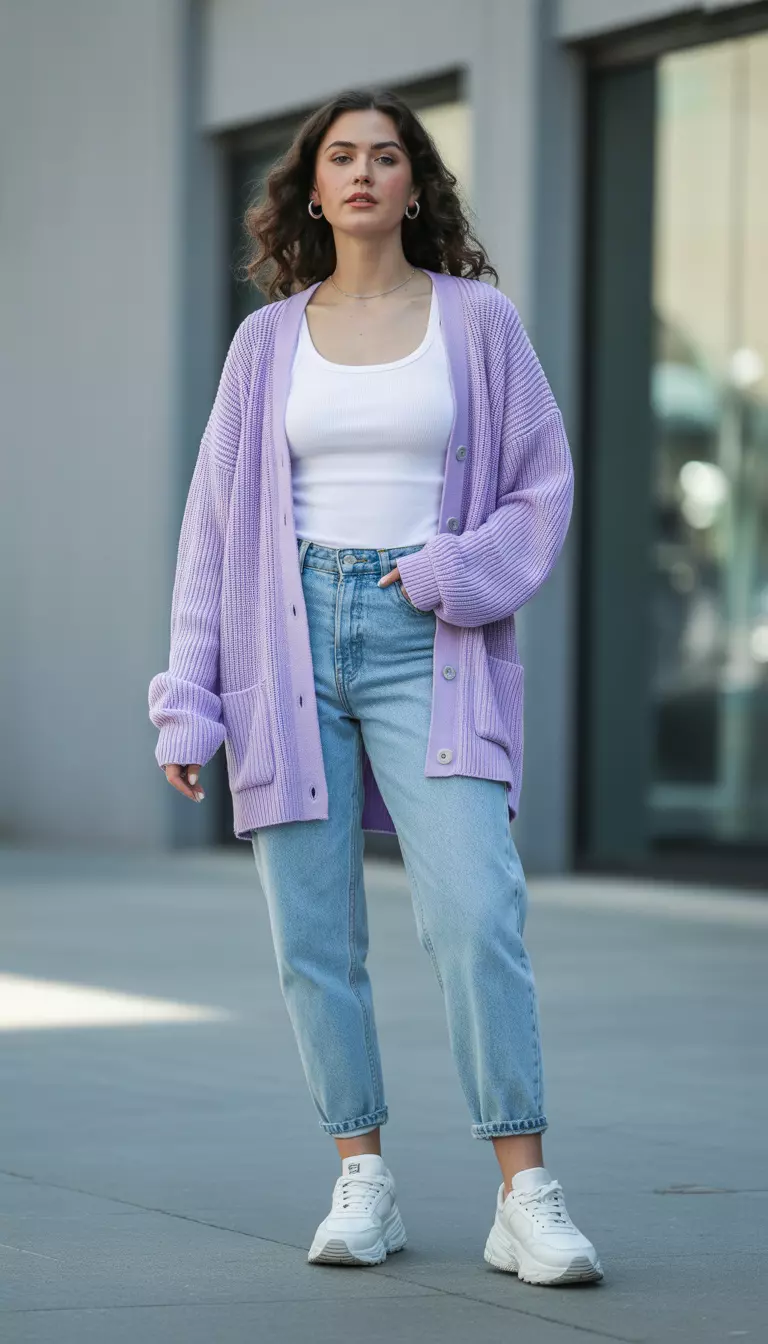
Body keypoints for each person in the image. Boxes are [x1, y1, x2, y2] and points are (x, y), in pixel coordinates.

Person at [148, 88, 603, 1287]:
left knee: (476, 914)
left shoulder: (479, 322)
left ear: (414, 185)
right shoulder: (265, 343)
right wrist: (189, 696)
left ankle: (525, 1194)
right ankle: (363, 1176)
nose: (361, 172)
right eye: (341, 156)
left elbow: (543, 486)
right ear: (313, 187)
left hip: (427, 636)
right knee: (314, 934)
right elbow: (214, 529)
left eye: (385, 155)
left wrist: (456, 570)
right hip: (284, 645)